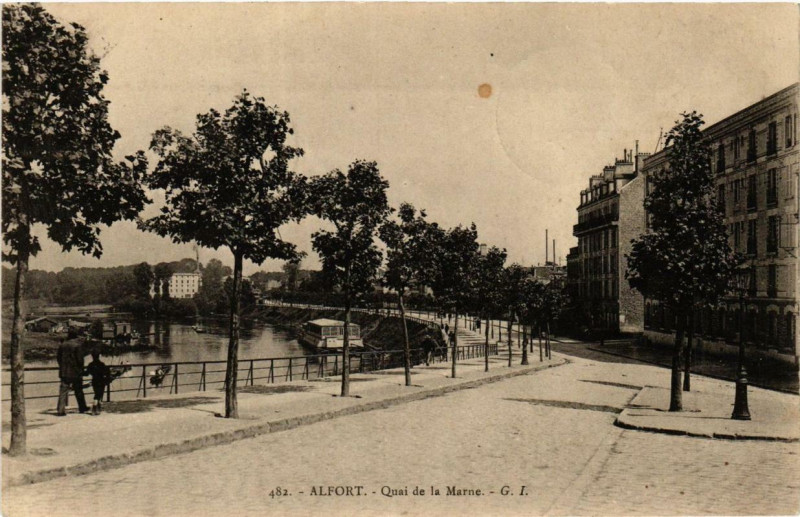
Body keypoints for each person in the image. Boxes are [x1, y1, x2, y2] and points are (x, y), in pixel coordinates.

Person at [56, 338, 88, 415]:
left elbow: (58, 358)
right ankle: (82, 407)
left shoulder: (62, 345)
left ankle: (60, 410)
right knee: (79, 390)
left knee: (63, 391)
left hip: (64, 372)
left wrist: (62, 366)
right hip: (76, 372)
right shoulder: (77, 346)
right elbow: (80, 360)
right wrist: (81, 370)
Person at [85, 350, 110, 415]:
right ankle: (95, 408)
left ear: (92, 357)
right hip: (101, 380)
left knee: (97, 393)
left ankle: (97, 408)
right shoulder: (102, 364)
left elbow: (87, 373)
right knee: (99, 394)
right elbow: (107, 372)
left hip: (94, 380)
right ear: (99, 356)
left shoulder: (90, 365)